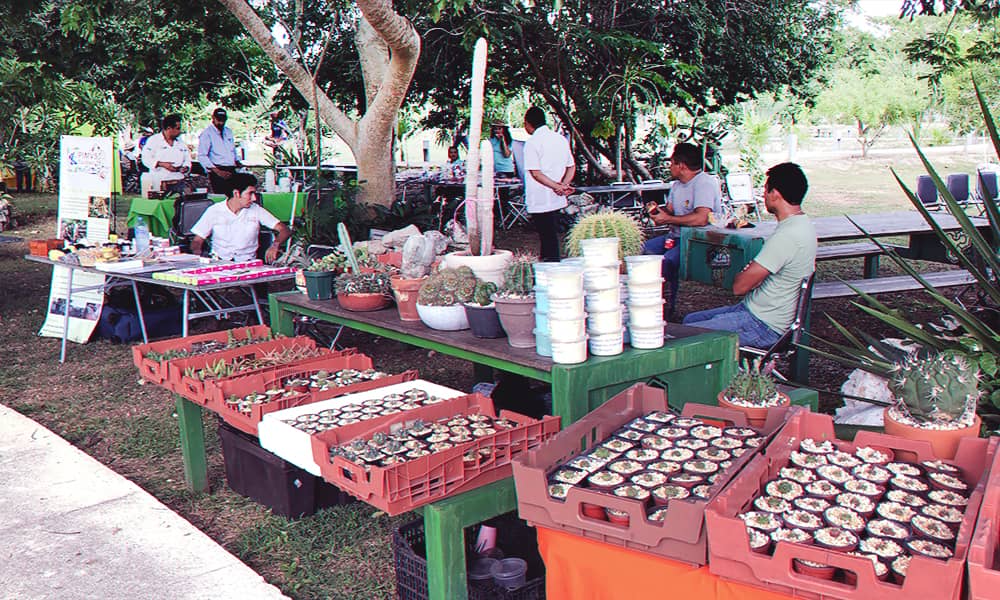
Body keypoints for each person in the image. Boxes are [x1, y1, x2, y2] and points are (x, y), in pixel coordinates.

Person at [683, 163, 816, 347]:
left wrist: (749, 273)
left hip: (762, 324)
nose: (764, 196)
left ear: (775, 194)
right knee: (689, 319)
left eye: (765, 190)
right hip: (757, 310)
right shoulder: (803, 224)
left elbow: (739, 287)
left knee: (686, 336)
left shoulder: (787, 236)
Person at [642, 142, 723, 317]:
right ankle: (650, 299)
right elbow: (670, 211)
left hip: (698, 239)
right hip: (676, 236)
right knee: (645, 250)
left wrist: (668, 218)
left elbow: (701, 218)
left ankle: (668, 307)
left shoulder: (704, 183)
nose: (669, 166)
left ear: (681, 166)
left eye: (671, 163)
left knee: (667, 260)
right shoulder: (677, 185)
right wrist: (657, 212)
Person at [190, 173, 291, 263]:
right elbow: (197, 240)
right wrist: (198, 254)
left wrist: (275, 245)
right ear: (236, 193)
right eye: (250, 193)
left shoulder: (256, 210)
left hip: (248, 264)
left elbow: (284, 230)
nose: (254, 198)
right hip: (219, 262)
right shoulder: (214, 211)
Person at [523, 106, 574, 261]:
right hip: (556, 196)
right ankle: (548, 264)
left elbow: (536, 173)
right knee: (549, 235)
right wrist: (563, 185)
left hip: (541, 196)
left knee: (547, 236)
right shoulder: (560, 139)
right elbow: (571, 166)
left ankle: (551, 266)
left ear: (528, 123)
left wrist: (558, 187)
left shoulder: (532, 143)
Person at [140, 114, 191, 197]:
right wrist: (161, 164)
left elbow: (187, 159)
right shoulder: (154, 140)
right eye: (177, 128)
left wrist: (186, 167)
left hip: (178, 180)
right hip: (160, 181)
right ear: (169, 128)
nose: (180, 131)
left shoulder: (180, 143)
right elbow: (145, 159)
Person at [198, 107, 242, 197]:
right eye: (219, 120)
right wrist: (217, 171)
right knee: (221, 197)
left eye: (223, 120)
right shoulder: (207, 133)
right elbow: (202, 156)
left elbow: (232, 149)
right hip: (217, 170)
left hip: (231, 169)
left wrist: (237, 161)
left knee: (234, 196)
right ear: (213, 118)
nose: (221, 123)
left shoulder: (228, 131)